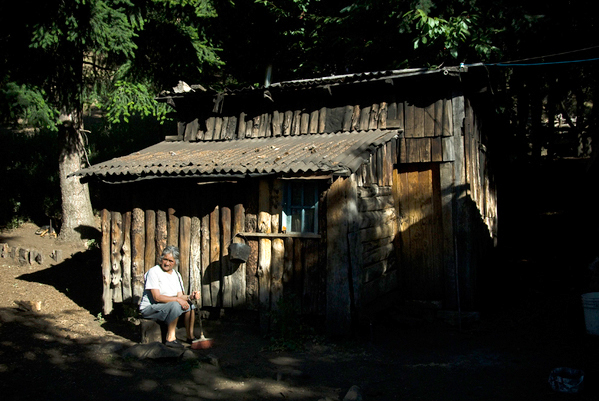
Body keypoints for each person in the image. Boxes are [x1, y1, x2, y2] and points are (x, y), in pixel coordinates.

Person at [139, 245, 200, 348]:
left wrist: (190, 297)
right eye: (165, 259)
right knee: (176, 305)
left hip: (167, 305)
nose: (167, 263)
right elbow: (157, 297)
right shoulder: (154, 272)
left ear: (175, 262)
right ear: (161, 259)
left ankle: (190, 337)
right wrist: (177, 300)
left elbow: (180, 296)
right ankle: (171, 338)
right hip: (151, 308)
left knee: (190, 306)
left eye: (170, 261)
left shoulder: (177, 275)